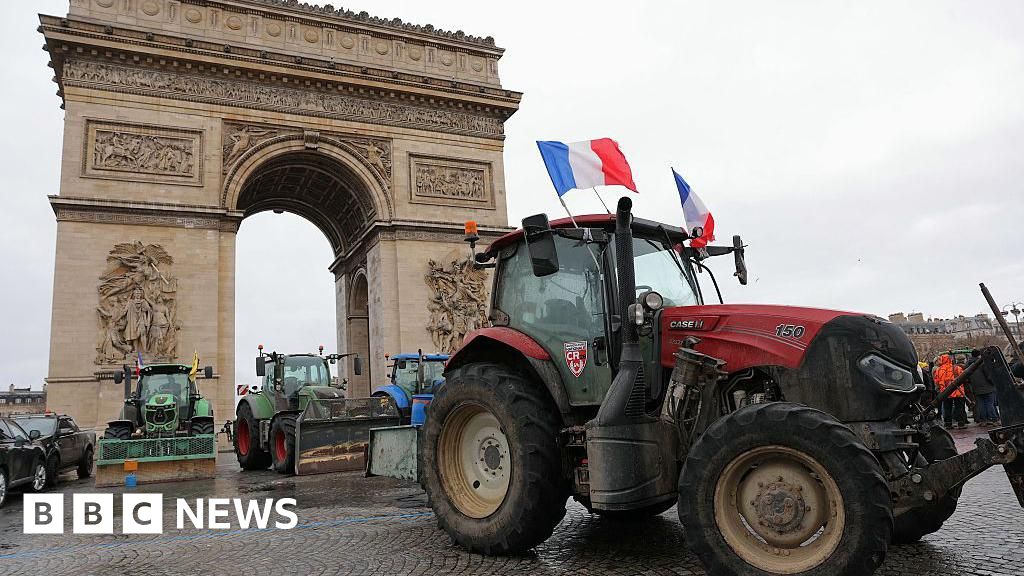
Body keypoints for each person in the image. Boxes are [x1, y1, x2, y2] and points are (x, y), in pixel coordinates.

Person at [934, 354, 967, 429]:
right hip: (958, 391)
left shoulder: (938, 370)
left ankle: (948, 424)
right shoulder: (957, 368)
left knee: (947, 408)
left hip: (945, 392)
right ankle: (961, 423)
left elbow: (936, 381)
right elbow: (963, 378)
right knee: (959, 407)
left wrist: (939, 388)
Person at [967, 349, 1000, 426]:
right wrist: (994, 383)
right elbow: (988, 376)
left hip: (976, 388)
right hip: (987, 387)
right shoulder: (982, 363)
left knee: (981, 405)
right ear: (979, 355)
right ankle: (993, 419)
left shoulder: (968, 365)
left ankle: (983, 420)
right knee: (990, 404)